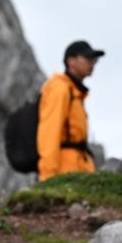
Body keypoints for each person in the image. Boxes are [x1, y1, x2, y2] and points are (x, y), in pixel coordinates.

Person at [37, 40, 104, 181]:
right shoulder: (60, 90)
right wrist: (48, 177)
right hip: (65, 170)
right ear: (71, 61)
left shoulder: (75, 92)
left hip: (78, 167)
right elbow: (49, 133)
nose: (91, 63)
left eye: (94, 60)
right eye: (87, 58)